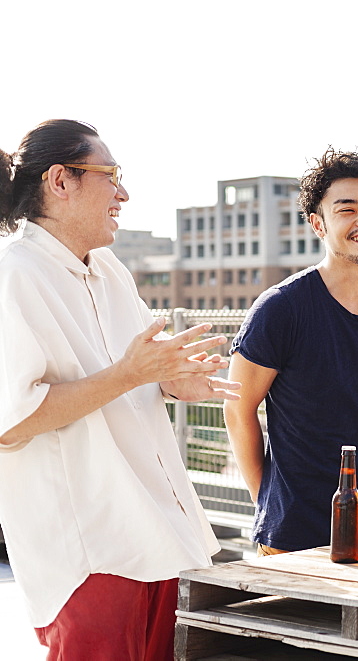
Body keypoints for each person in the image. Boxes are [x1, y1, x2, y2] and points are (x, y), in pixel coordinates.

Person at [0, 119, 241, 660]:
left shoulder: (109, 270)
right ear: (60, 181)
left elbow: (137, 373)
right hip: (90, 553)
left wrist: (175, 382)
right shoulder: (13, 275)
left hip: (158, 532)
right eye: (111, 175)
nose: (123, 192)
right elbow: (11, 420)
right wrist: (130, 374)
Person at [224, 147, 358, 555]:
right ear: (318, 224)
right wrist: (266, 500)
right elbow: (237, 408)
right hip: (293, 534)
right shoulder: (281, 309)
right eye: (347, 209)